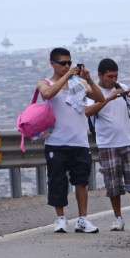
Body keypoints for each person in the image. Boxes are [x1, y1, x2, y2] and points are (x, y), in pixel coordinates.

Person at [37, 48, 106, 233]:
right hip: (55, 142)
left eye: (69, 63)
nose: (67, 66)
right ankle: (60, 218)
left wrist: (89, 79)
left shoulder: (80, 84)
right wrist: (67, 76)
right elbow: (47, 94)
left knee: (81, 181)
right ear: (52, 64)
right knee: (57, 181)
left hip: (79, 141)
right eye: (63, 63)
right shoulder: (45, 82)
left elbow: (100, 98)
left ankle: (83, 219)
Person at [85, 58, 130, 232]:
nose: (113, 79)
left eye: (115, 76)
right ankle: (118, 218)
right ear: (100, 75)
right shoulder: (93, 92)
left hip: (128, 141)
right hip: (107, 143)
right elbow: (88, 112)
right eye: (109, 76)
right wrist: (108, 98)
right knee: (113, 184)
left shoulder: (123, 88)